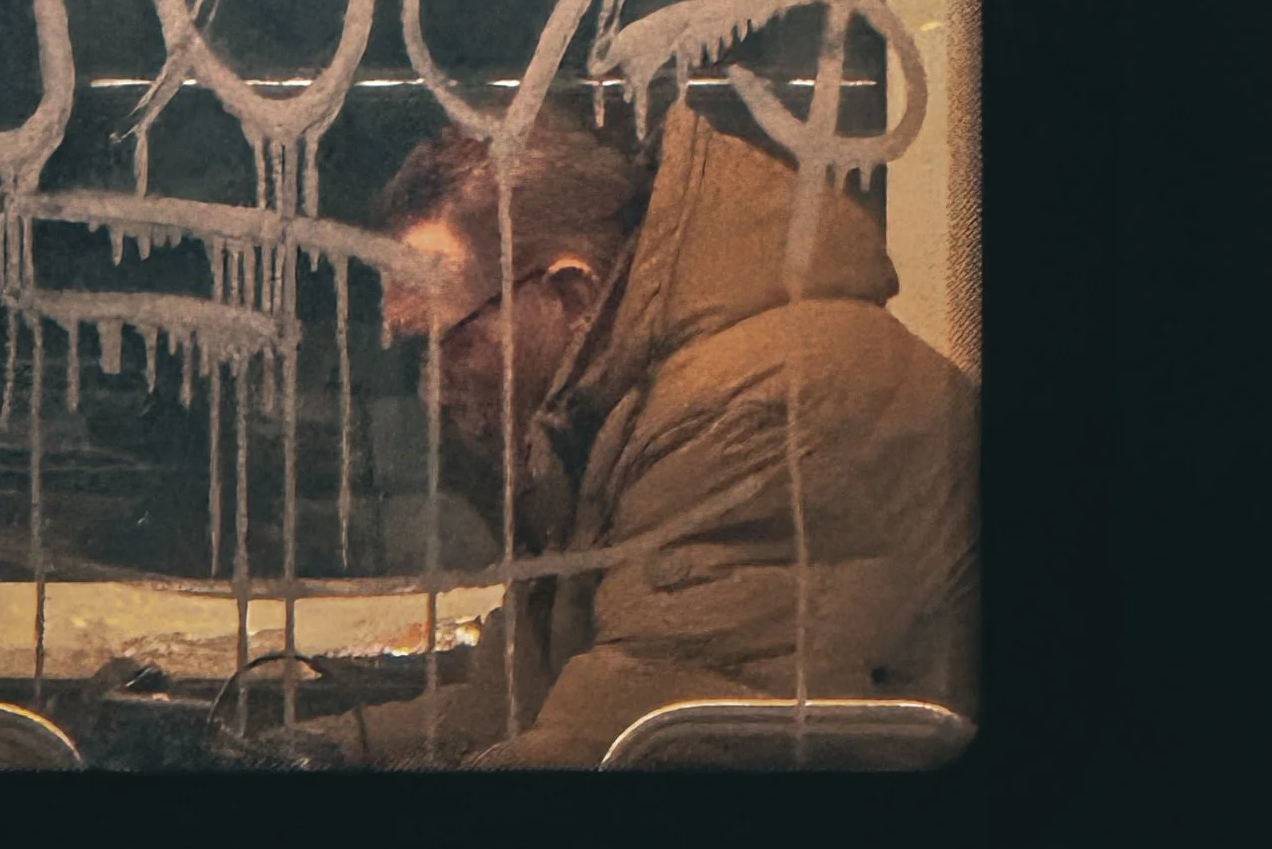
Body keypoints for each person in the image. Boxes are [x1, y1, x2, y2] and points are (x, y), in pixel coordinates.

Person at [348, 96, 978, 768]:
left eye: (448, 343)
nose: (433, 384)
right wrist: (321, 747)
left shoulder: (756, 407)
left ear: (570, 295)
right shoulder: (601, 414)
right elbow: (508, 708)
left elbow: (631, 739)